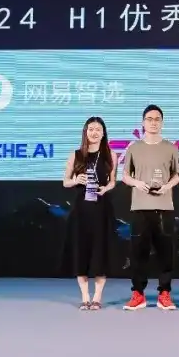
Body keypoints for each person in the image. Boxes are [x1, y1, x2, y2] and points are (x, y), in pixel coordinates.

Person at [121, 104, 179, 311]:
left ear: (162, 123)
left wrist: (167, 186)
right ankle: (138, 294)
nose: (153, 122)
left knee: (166, 252)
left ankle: (164, 293)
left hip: (164, 207)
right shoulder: (134, 148)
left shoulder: (171, 148)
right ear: (143, 123)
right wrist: (137, 183)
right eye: (149, 119)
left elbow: (177, 175)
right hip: (140, 206)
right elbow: (125, 176)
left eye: (157, 119)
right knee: (138, 253)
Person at [62, 117, 118, 310]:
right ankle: (85, 297)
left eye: (98, 129)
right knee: (81, 252)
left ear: (103, 133)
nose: (94, 132)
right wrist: (76, 180)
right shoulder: (76, 155)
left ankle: (97, 297)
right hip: (81, 211)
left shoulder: (110, 155)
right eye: (91, 129)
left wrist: (106, 188)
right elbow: (65, 182)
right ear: (85, 132)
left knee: (100, 252)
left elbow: (113, 181)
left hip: (101, 209)